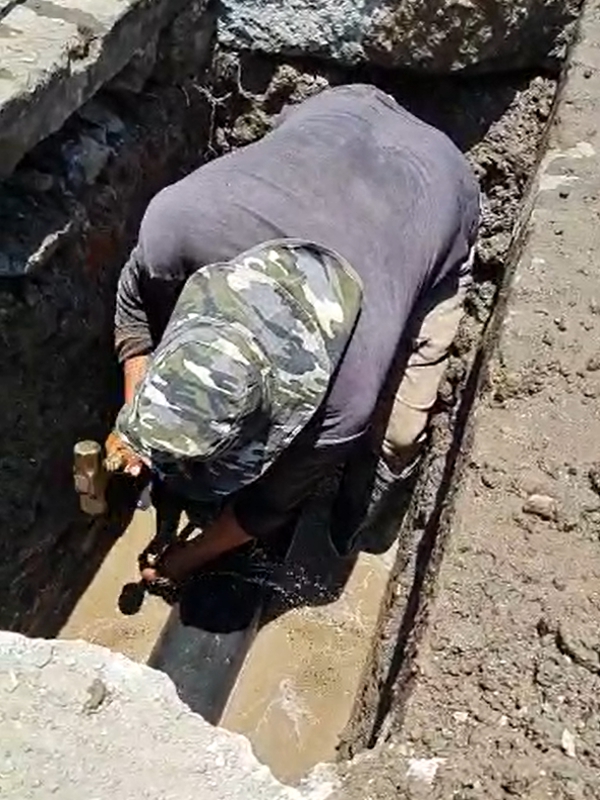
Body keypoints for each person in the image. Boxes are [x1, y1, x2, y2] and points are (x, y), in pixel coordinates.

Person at [107, 83, 480, 591]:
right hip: (339, 112)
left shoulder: (348, 391)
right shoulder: (175, 228)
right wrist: (142, 422)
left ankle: (351, 531)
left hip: (437, 181)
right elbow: (135, 302)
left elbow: (268, 504)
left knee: (396, 436)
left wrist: (184, 560)